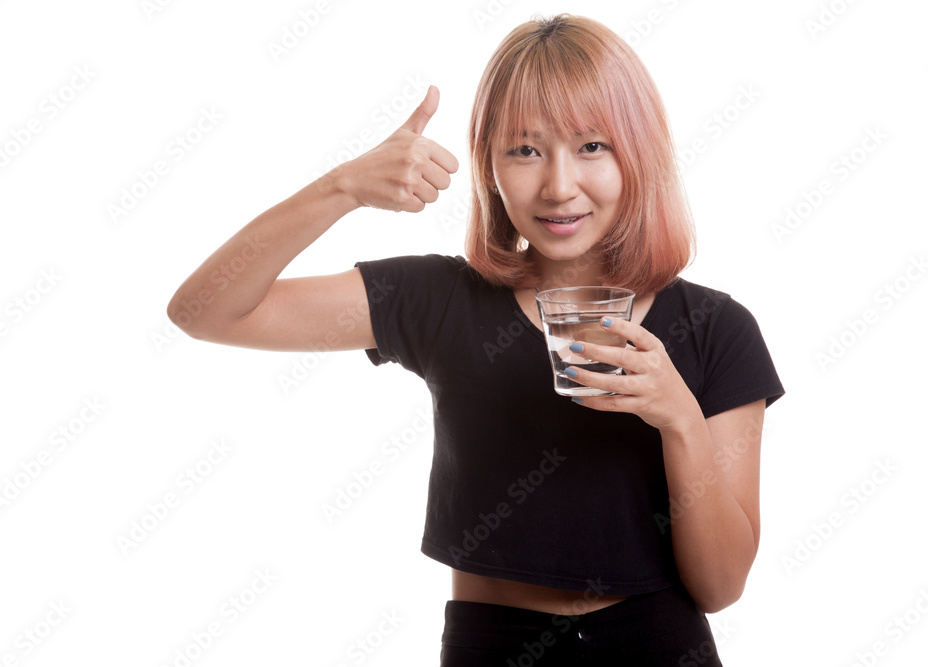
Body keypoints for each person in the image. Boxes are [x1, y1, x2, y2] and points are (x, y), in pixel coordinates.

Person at [167, 13, 784, 666]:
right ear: (488, 164)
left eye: (592, 146)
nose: (559, 186)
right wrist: (342, 186)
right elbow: (206, 311)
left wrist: (680, 418)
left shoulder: (716, 330)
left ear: (641, 154)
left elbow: (721, 588)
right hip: (492, 646)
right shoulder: (439, 300)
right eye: (525, 150)